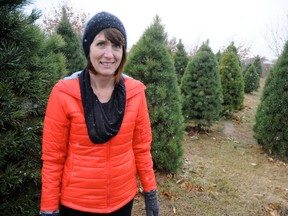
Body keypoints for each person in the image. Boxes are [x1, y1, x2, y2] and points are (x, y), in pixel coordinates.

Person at [39, 11, 159, 216]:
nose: (109, 54)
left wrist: (150, 193)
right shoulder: (64, 93)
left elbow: (141, 149)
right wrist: (48, 209)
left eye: (116, 46)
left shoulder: (135, 93)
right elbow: (53, 159)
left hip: (123, 201)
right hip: (77, 204)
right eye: (101, 44)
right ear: (88, 49)